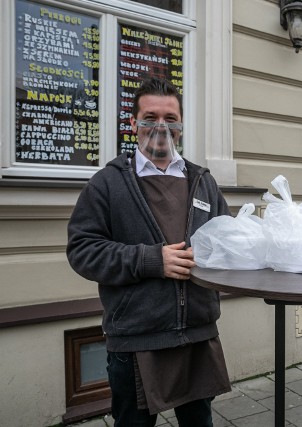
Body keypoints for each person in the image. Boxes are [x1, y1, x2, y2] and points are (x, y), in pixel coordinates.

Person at [67, 77, 231, 426]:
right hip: (136, 341)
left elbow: (227, 240)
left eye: (170, 119)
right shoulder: (107, 184)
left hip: (197, 334)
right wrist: (152, 260)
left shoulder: (203, 181)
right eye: (150, 117)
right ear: (132, 124)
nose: (160, 126)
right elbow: (83, 250)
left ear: (181, 127)